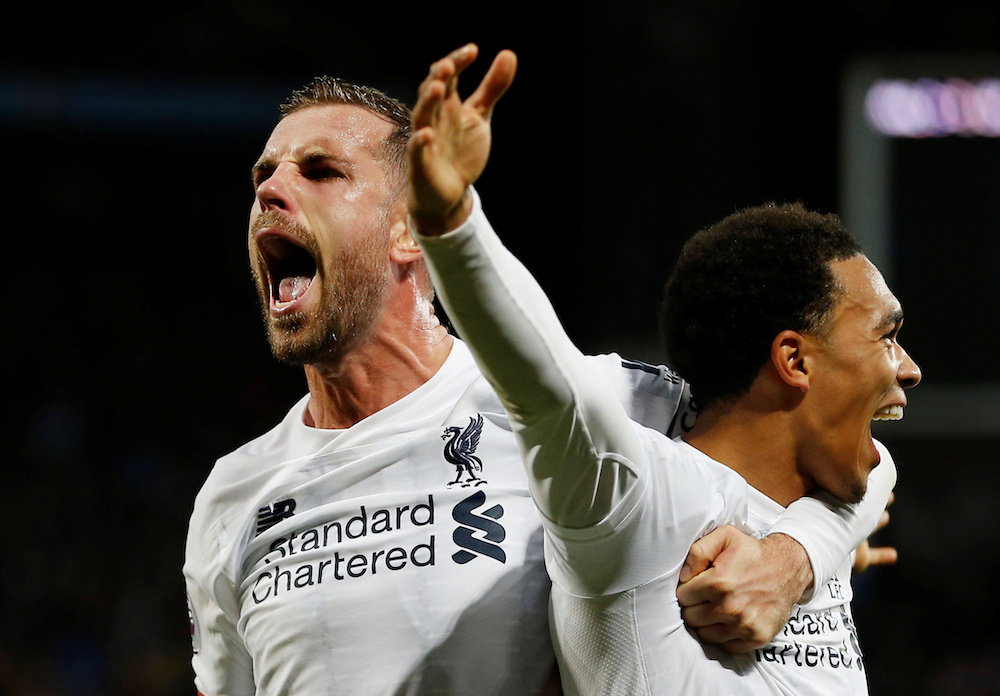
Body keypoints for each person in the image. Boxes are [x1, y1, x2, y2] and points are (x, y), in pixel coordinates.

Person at [183, 46, 898, 696]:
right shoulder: (233, 498)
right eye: (263, 175)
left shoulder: (602, 404)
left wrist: (798, 553)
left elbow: (846, 449)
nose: (270, 192)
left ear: (409, 228)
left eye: (320, 171)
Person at [407, 44, 919, 695]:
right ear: (793, 360)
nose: (909, 369)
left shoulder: (817, 507)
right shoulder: (641, 498)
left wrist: (803, 555)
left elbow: (878, 473)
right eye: (887, 337)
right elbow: (546, 386)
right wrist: (452, 224)